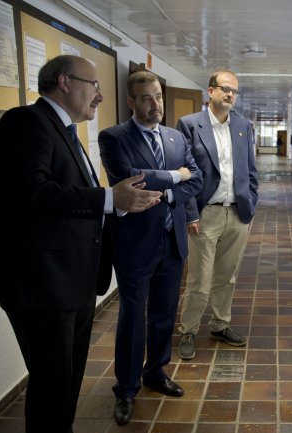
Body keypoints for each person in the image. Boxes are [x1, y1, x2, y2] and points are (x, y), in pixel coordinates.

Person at [0, 55, 163, 433]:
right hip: (41, 285)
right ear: (65, 82)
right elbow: (32, 193)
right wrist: (109, 198)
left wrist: (120, 204)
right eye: (93, 85)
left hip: (71, 283)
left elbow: (70, 203)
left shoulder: (65, 131)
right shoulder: (26, 122)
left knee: (65, 386)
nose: (100, 95)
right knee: (52, 389)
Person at [98, 70, 202, 425]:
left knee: (164, 313)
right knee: (132, 317)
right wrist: (176, 176)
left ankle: (156, 371)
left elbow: (197, 178)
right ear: (131, 101)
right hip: (134, 244)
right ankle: (126, 389)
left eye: (158, 97)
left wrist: (171, 192)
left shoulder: (176, 138)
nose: (155, 105)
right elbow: (129, 177)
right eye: (146, 98)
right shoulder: (113, 137)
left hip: (172, 241)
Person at [175, 69, 259, 360]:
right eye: (225, 89)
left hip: (237, 214)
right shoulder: (189, 125)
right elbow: (184, 174)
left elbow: (250, 170)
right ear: (210, 91)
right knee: (200, 278)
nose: (230, 95)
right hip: (204, 214)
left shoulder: (243, 126)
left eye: (234, 91)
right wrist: (190, 213)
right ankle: (188, 329)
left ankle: (220, 324)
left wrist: (250, 203)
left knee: (227, 276)